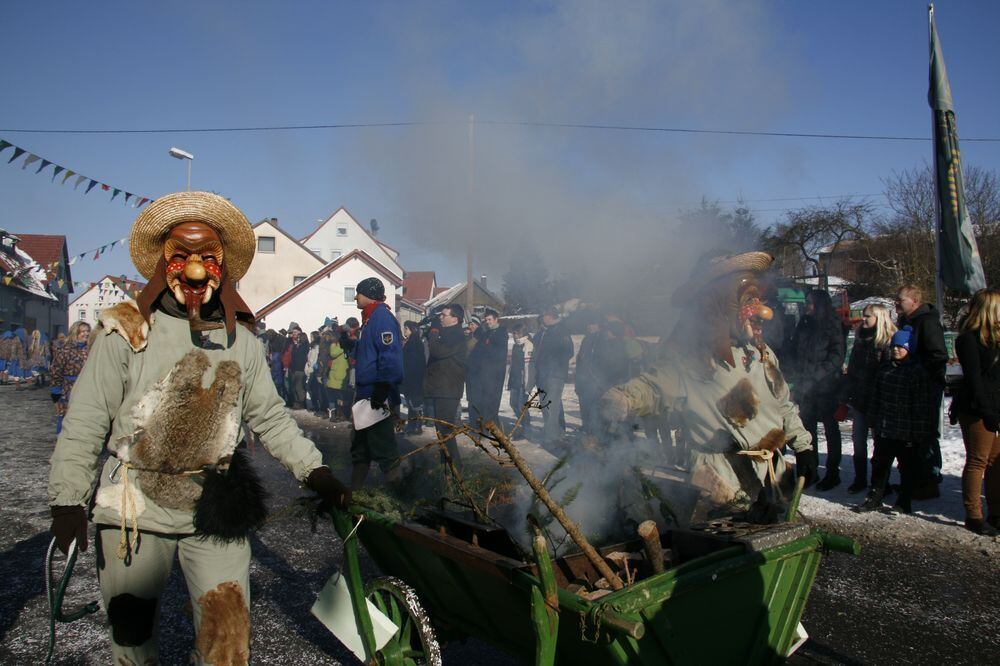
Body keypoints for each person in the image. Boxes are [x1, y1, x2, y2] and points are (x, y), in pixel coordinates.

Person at [47, 191, 349, 665]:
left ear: (221, 266)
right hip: (134, 509)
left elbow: (269, 416)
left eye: (206, 256)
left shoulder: (241, 342)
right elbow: (86, 418)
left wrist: (315, 471)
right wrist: (67, 500)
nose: (193, 268)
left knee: (227, 644)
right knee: (132, 643)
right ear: (163, 264)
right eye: (181, 255)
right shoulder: (127, 330)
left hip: (215, 508)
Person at [601, 252, 816, 522]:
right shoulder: (691, 359)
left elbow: (783, 403)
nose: (763, 311)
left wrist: (804, 446)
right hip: (722, 485)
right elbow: (655, 387)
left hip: (774, 478)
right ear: (718, 305)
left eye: (757, 299)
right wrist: (625, 398)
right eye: (747, 300)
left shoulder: (762, 354)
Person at [855, 326, 931, 514]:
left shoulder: (917, 373)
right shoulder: (885, 369)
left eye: (901, 346)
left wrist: (919, 434)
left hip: (906, 431)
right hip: (885, 428)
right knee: (880, 464)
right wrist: (873, 419)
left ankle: (904, 500)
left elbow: (921, 406)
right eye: (894, 346)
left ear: (910, 348)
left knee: (906, 467)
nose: (896, 350)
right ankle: (875, 496)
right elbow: (876, 397)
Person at [952, 289, 1000, 536]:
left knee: (996, 462)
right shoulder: (968, 339)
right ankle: (974, 515)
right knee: (978, 460)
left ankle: (996, 512)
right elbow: (974, 380)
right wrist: (986, 410)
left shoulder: (995, 338)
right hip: (977, 408)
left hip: (995, 406)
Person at [349, 277, 404, 489]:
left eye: (358, 292)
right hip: (365, 392)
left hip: (375, 392)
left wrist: (383, 387)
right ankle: (353, 492)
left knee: (383, 446)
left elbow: (390, 355)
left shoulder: (382, 318)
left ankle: (401, 494)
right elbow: (369, 353)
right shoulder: (370, 319)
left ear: (369, 295)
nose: (356, 296)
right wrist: (351, 346)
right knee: (360, 445)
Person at [895, 284, 948, 498]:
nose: (896, 303)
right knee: (910, 436)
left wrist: (925, 379)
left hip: (925, 388)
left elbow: (938, 356)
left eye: (900, 300)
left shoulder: (928, 322)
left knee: (926, 436)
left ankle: (930, 481)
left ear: (914, 301)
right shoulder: (905, 321)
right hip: (908, 387)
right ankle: (914, 478)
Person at [790, 289, 846, 490]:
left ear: (820, 304)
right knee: (807, 430)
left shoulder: (833, 324)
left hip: (826, 386)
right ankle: (809, 471)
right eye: (807, 302)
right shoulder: (804, 324)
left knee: (831, 430)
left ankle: (833, 472)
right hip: (805, 386)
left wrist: (817, 375)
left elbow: (836, 357)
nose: (807, 305)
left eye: (811, 302)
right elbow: (795, 351)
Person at [840, 304, 895, 493]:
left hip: (879, 400)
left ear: (879, 318)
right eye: (863, 316)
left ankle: (881, 483)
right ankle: (860, 478)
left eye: (868, 316)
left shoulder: (887, 341)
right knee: (858, 440)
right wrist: (848, 392)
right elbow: (853, 368)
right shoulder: (860, 338)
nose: (863, 319)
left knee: (880, 444)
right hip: (860, 397)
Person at [423, 304, 468, 462]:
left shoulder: (457, 335)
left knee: (445, 432)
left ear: (455, 319)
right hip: (441, 388)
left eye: (444, 315)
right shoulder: (447, 333)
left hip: (448, 389)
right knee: (442, 432)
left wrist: (434, 332)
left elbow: (438, 351)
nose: (440, 317)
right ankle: (448, 469)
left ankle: (454, 470)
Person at [532, 307, 574, 447]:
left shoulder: (562, 330)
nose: (543, 319)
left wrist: (552, 363)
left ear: (551, 316)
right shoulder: (545, 332)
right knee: (545, 405)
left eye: (545, 316)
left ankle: (551, 438)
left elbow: (568, 352)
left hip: (555, 374)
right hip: (543, 374)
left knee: (552, 406)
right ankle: (555, 433)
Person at [466, 308, 508, 426]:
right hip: (483, 374)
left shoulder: (501, 332)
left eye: (490, 319)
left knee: (492, 403)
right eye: (486, 320)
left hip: (495, 374)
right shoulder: (486, 333)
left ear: (496, 319)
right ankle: (486, 427)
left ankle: (495, 430)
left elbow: (495, 353)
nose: (488, 322)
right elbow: (477, 352)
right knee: (484, 402)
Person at [49, 320, 91, 434]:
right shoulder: (64, 350)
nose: (86, 334)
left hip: (88, 389)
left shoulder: (91, 350)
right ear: (75, 332)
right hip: (69, 390)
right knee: (66, 417)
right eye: (83, 331)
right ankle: (62, 440)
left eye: (88, 331)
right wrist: (55, 395)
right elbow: (55, 372)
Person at [575, 320, 604, 435]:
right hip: (583, 378)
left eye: (593, 323)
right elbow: (581, 358)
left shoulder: (602, 339)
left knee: (595, 408)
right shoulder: (586, 339)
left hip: (596, 379)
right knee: (584, 404)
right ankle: (586, 427)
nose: (590, 326)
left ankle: (596, 431)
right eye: (589, 324)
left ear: (599, 325)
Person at [401, 320, 427, 434]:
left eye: (406, 329)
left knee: (414, 402)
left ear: (411, 330)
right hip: (412, 377)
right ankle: (413, 425)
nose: (404, 331)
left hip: (413, 377)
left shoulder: (414, 343)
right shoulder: (411, 341)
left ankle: (416, 426)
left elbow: (413, 362)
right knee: (411, 402)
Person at [507, 323, 534, 428]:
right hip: (515, 380)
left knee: (521, 406)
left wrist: (528, 384)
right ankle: (523, 424)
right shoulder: (515, 345)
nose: (514, 335)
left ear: (522, 333)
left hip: (523, 382)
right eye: (513, 333)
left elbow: (529, 367)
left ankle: (526, 428)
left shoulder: (528, 345)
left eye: (516, 333)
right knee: (513, 404)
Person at [325, 334, 350, 421]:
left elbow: (333, 354)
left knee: (332, 397)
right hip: (343, 375)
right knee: (341, 397)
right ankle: (341, 414)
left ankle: (332, 415)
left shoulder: (334, 346)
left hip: (333, 375)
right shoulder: (346, 347)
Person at [287, 325, 309, 409]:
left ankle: (301, 403)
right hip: (294, 368)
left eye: (299, 337)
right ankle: (296, 402)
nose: (297, 338)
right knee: (294, 387)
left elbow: (299, 356)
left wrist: (296, 347)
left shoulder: (305, 346)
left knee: (299, 387)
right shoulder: (297, 345)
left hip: (300, 369)